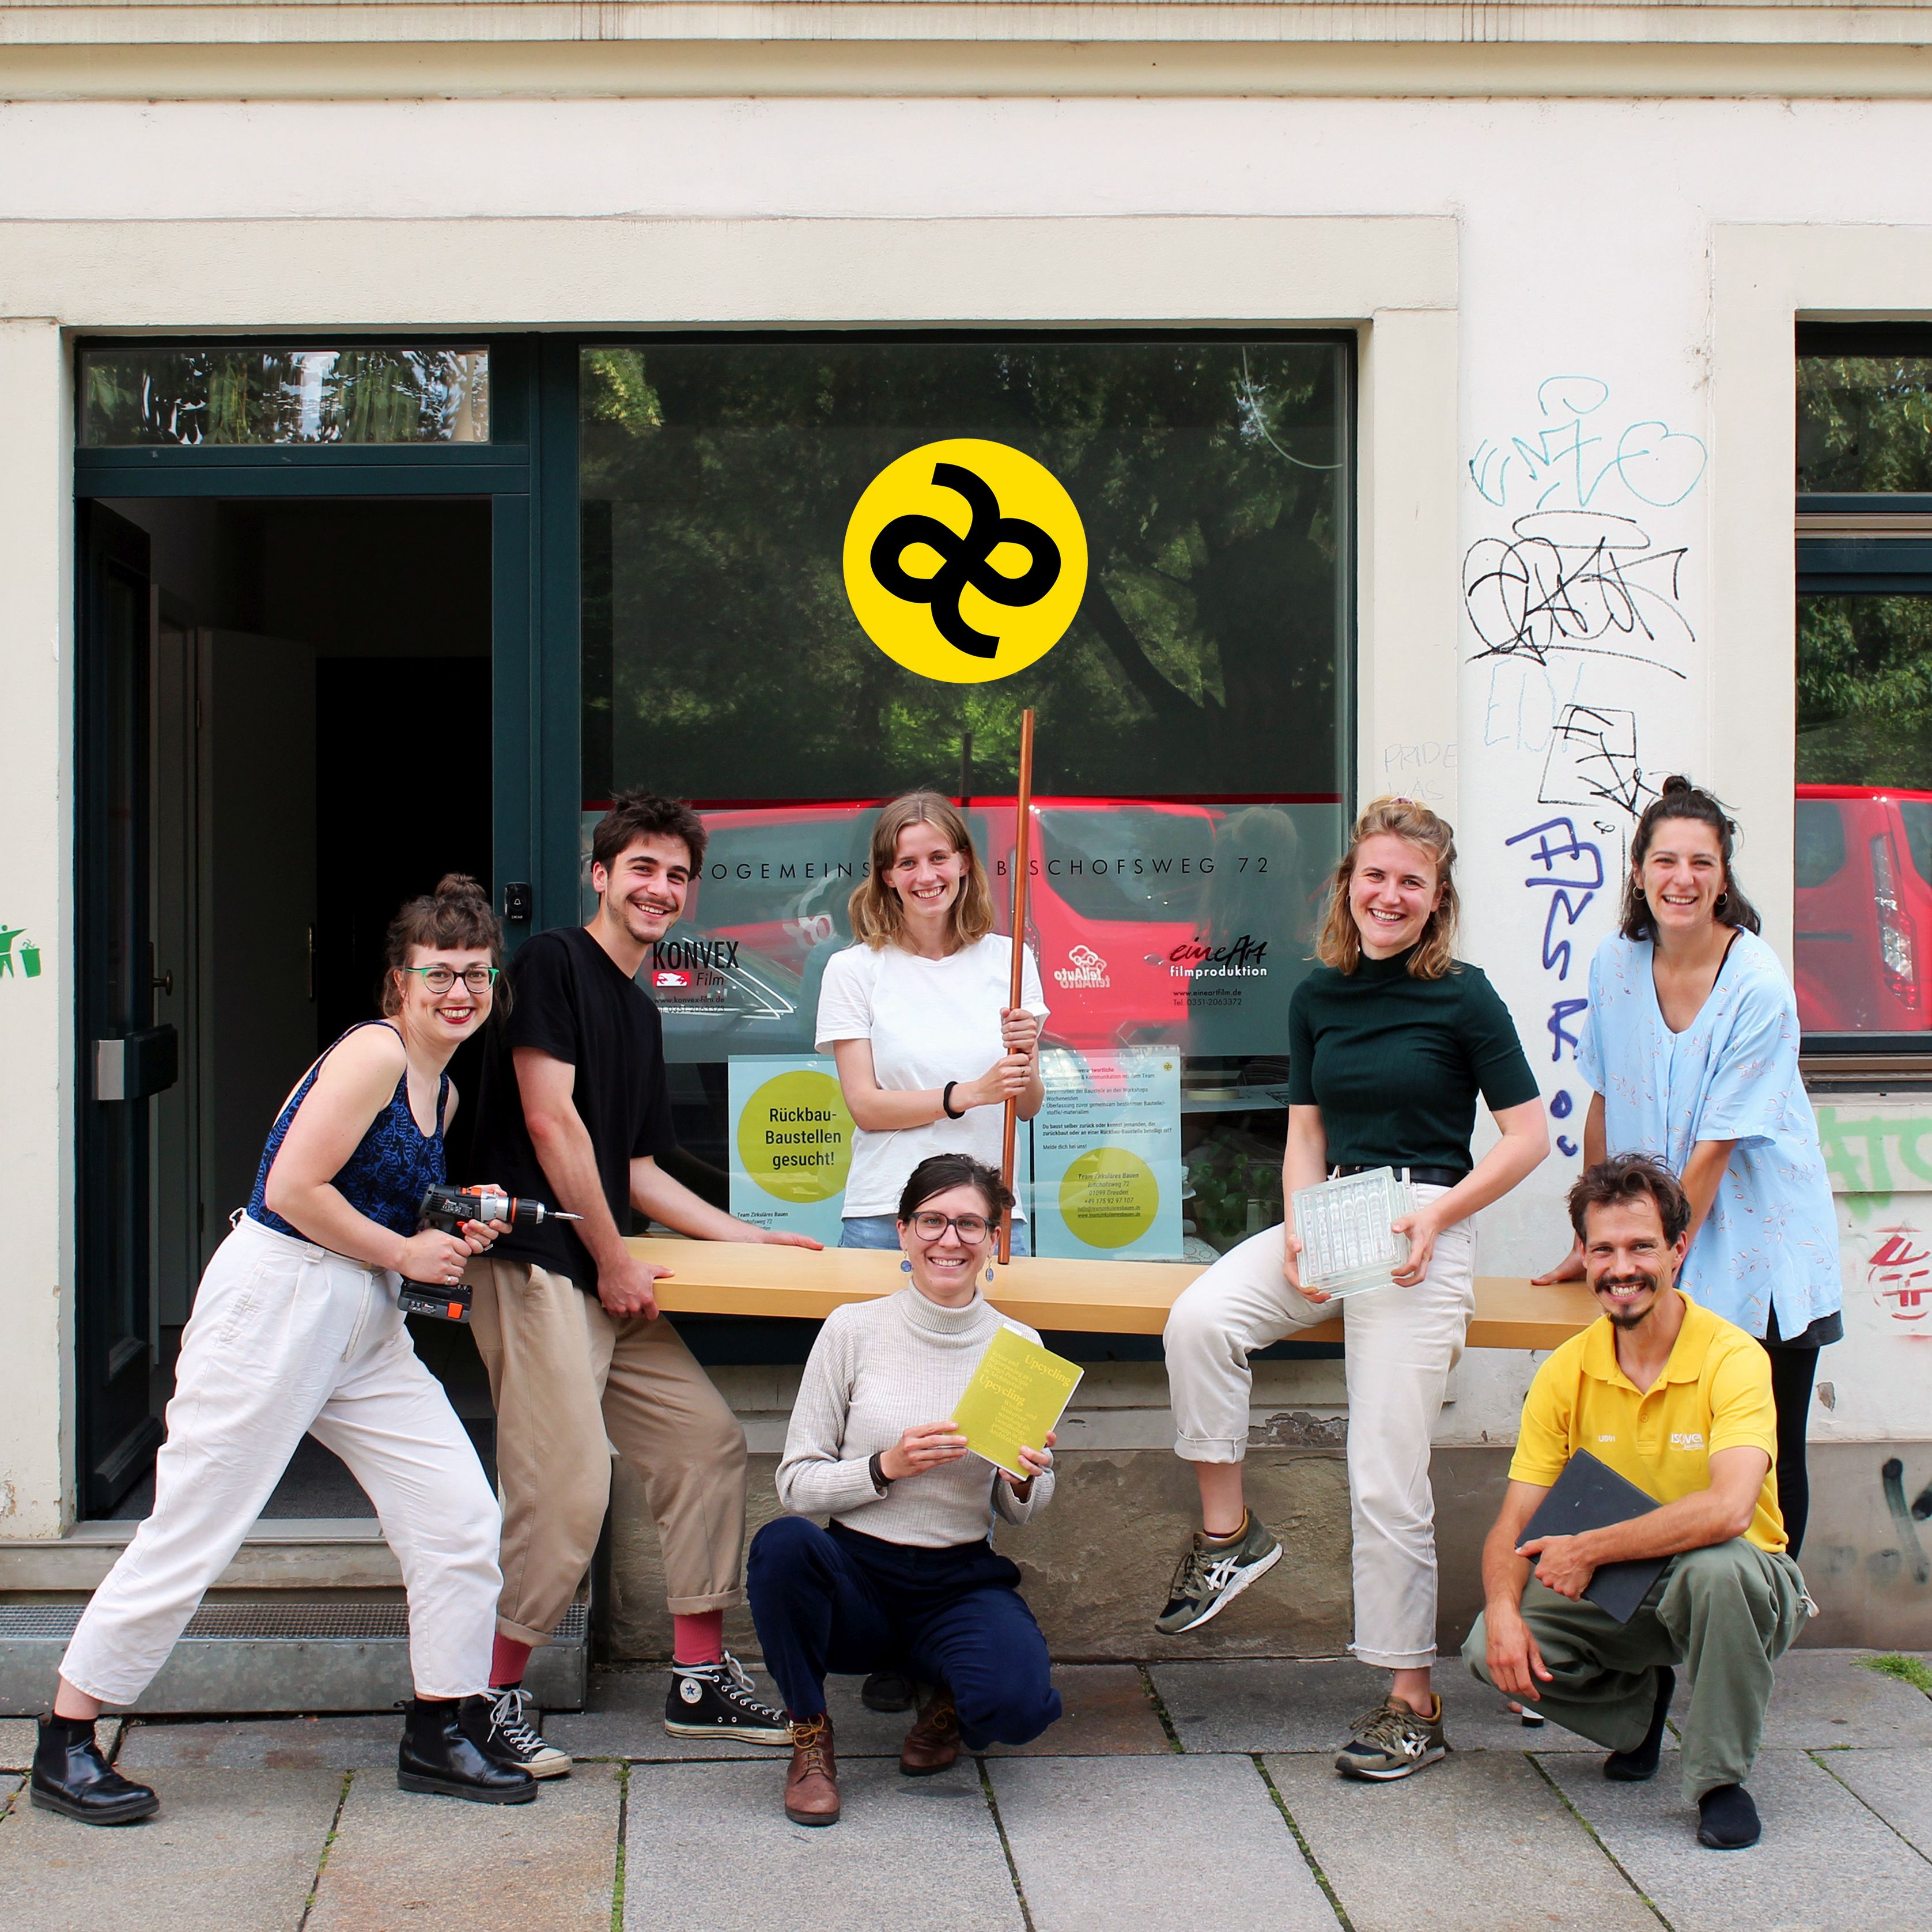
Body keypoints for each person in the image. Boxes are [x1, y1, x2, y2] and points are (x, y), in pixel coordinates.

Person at [36, 876, 534, 1824]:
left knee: (460, 1516)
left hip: (363, 1321)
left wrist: (440, 1229)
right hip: (279, 1300)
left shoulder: (443, 1084)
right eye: (439, 973)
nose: (460, 991)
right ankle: (67, 1738)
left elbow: (373, 1198)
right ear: (399, 980)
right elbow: (293, 1189)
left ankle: (440, 1727)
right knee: (195, 1525)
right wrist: (405, 1251)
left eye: (476, 973)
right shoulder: (375, 1052)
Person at [1161, 796, 1549, 1779]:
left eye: (1411, 881)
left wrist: (1440, 1214)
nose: (1389, 894)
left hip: (1422, 1219)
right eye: (1374, 875)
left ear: (1436, 898)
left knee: (1382, 1469)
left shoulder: (1464, 997)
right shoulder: (1316, 994)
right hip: (1333, 1210)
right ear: (1347, 884)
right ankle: (1228, 1534)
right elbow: (1304, 1130)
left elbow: (1526, 1137)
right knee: (1200, 1318)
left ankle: (1410, 1702)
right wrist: (1297, 1223)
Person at [463, 789, 822, 1778]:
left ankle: (698, 1677)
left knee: (703, 1444)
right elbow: (551, 1121)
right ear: (600, 874)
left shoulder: (636, 1004)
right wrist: (616, 1257)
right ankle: (482, 1696)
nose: (659, 888)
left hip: (600, 1268)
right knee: (566, 1488)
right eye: (641, 869)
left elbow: (638, 1169)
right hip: (537, 1264)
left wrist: (749, 1237)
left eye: (675, 874)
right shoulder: (552, 963)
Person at [1534, 777, 1840, 1555]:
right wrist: (1593, 1238)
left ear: (1723, 877)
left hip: (1758, 1248)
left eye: (1701, 862)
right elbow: (1604, 1098)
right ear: (1637, 871)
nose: (1682, 878)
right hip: (1660, 1241)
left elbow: (1714, 1148)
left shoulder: (1757, 985)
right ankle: (1658, 1625)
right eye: (1665, 860)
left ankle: (1768, 1608)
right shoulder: (1613, 964)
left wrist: (1649, 1256)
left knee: (1761, 1452)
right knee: (1651, 1448)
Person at [1468, 1155, 1809, 1851]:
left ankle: (1718, 1780)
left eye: (1640, 1246)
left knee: (1716, 1568)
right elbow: (1513, 1523)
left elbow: (1728, 1510)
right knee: (1484, 1645)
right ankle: (1637, 1708)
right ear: (1583, 1255)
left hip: (1740, 1583)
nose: (1620, 1268)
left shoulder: (1734, 1357)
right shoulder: (1565, 1369)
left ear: (1677, 1249)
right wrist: (1502, 1610)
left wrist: (1588, 1547)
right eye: (1603, 1249)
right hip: (1623, 1585)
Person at [747, 1154, 1062, 1826]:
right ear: (902, 1231)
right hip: (856, 1575)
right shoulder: (852, 1329)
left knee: (1019, 1707)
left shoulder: (1018, 1344)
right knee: (783, 1544)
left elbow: (1023, 1509)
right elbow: (795, 1484)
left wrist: (1022, 1477)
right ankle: (809, 1733)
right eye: (931, 1220)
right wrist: (883, 1466)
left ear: (993, 1238)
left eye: (969, 1224)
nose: (949, 1239)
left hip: (957, 1579)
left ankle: (948, 1694)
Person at [817, 792, 1046, 1257]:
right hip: (887, 1211)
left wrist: (1026, 1056)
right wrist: (970, 1094)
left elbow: (1027, 1105)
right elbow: (865, 1107)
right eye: (908, 863)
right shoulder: (853, 969)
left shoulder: (1011, 960)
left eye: (938, 857)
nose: (926, 876)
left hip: (987, 1214)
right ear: (887, 875)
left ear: (963, 861)